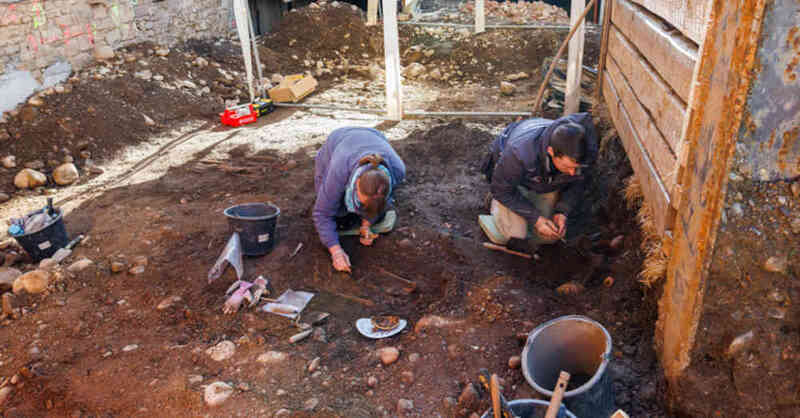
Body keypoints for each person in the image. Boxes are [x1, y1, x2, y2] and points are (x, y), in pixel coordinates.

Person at [478, 113, 598, 252]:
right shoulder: (519, 154)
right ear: (551, 151)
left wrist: (562, 210)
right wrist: (536, 218)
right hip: (512, 181)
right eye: (566, 167)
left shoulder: (584, 151)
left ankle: (532, 199)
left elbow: (579, 182)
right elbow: (502, 190)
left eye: (575, 168)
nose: (572, 172)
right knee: (516, 235)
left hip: (545, 181)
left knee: (550, 236)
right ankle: (494, 203)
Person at [313, 127, 406, 273]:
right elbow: (322, 214)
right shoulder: (339, 171)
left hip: (373, 135)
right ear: (355, 185)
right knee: (336, 211)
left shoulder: (398, 170)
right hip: (339, 141)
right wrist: (336, 251)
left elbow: (380, 204)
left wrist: (366, 225)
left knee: (373, 211)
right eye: (361, 202)